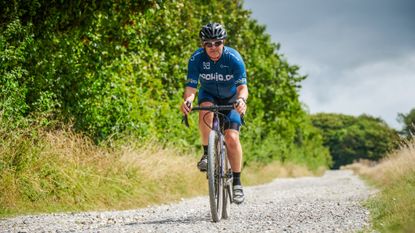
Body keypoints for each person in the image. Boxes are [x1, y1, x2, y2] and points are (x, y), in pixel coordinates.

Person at [180, 22, 248, 204]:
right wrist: (188, 100)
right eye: (208, 44)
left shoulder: (233, 57)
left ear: (223, 42)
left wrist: (241, 101)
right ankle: (206, 153)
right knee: (206, 109)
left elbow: (243, 88)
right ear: (203, 45)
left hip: (231, 100)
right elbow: (191, 88)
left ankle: (237, 183)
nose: (213, 48)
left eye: (217, 43)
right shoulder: (197, 59)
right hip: (209, 95)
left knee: (232, 138)